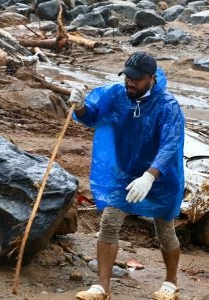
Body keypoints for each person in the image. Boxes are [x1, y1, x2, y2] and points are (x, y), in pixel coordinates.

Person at [70, 51, 185, 300]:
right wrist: (80, 107)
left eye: (137, 78)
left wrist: (150, 176)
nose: (130, 82)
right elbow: (92, 116)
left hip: (160, 178)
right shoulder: (116, 94)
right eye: (127, 77)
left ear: (151, 78)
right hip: (123, 174)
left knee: (164, 230)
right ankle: (102, 287)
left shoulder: (167, 106)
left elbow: (170, 145)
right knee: (109, 222)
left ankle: (171, 283)